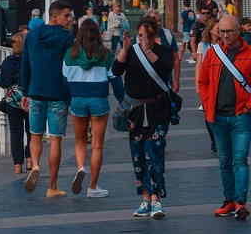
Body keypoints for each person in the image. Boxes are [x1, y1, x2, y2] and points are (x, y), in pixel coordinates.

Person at [112, 18, 174, 220]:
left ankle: (156, 198)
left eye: (146, 36)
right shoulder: (131, 51)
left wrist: (148, 51)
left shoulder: (162, 51)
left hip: (157, 109)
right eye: (140, 36)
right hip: (136, 111)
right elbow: (115, 71)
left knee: (155, 154)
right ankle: (145, 198)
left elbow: (166, 70)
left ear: (154, 36)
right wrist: (124, 49)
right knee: (138, 156)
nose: (143, 40)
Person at [197, 13, 251, 219]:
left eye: (229, 31)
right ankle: (228, 201)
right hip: (217, 117)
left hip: (241, 117)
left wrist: (248, 106)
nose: (226, 35)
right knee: (224, 161)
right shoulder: (213, 53)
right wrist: (207, 100)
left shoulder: (249, 53)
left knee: (240, 160)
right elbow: (203, 81)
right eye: (222, 31)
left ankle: (240, 203)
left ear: (239, 32)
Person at [20, 0, 74, 197]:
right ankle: (52, 186)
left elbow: (25, 65)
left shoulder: (32, 36)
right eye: (66, 16)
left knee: (35, 134)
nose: (70, 20)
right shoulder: (67, 38)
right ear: (54, 16)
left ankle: (34, 165)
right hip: (58, 92)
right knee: (55, 140)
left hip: (35, 91)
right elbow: (70, 68)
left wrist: (24, 91)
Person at [64, 17, 114, 198]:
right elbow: (114, 78)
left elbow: (64, 79)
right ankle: (93, 187)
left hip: (77, 100)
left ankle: (80, 167)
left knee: (79, 140)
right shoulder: (106, 54)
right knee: (97, 145)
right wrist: (123, 101)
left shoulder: (70, 54)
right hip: (99, 100)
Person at [0, 30, 31, 174]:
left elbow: (3, 82)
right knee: (31, 131)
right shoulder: (30, 60)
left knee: (15, 132)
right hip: (29, 99)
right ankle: (30, 158)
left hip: (12, 101)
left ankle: (17, 164)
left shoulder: (7, 62)